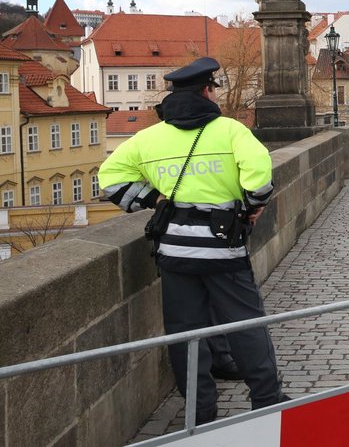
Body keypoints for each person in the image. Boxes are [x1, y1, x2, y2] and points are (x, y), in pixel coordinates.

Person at [98, 57, 287, 424]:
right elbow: (259, 178)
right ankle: (267, 401)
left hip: (173, 253)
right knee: (245, 325)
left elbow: (109, 178)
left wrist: (154, 200)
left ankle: (200, 416)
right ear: (207, 90)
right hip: (223, 249)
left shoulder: (149, 137)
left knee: (186, 335)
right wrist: (251, 209)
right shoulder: (229, 130)